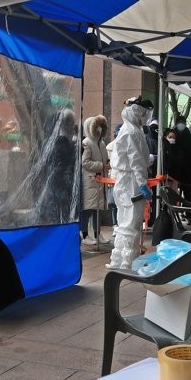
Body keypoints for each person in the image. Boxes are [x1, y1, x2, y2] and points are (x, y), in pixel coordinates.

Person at [107, 97, 152, 270]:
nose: (145, 117)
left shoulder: (127, 129)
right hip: (132, 182)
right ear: (138, 112)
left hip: (123, 181)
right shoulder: (133, 132)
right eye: (144, 113)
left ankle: (118, 259)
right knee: (132, 223)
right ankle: (129, 262)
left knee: (123, 221)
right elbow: (136, 161)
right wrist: (142, 183)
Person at [35, 109, 78, 225]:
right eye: (71, 123)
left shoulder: (50, 142)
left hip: (54, 183)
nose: (73, 126)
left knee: (56, 211)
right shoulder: (65, 144)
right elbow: (68, 164)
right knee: (62, 212)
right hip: (62, 184)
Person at [80, 115, 109, 245]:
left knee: (98, 209)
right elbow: (85, 162)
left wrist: (107, 163)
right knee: (87, 210)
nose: (99, 129)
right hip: (90, 181)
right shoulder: (86, 143)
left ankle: (98, 234)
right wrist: (101, 165)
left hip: (100, 180)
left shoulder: (101, 143)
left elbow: (105, 158)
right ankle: (85, 235)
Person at [166, 116, 191, 203]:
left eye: (183, 123)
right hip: (173, 170)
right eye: (179, 122)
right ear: (176, 124)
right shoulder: (172, 135)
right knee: (171, 194)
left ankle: (187, 209)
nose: (181, 124)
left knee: (189, 194)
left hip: (188, 170)